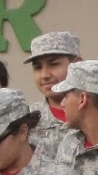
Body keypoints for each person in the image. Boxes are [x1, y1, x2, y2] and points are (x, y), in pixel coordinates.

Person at [25, 31, 83, 159]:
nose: (44, 75)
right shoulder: (24, 122)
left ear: (77, 65)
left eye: (54, 64)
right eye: (37, 67)